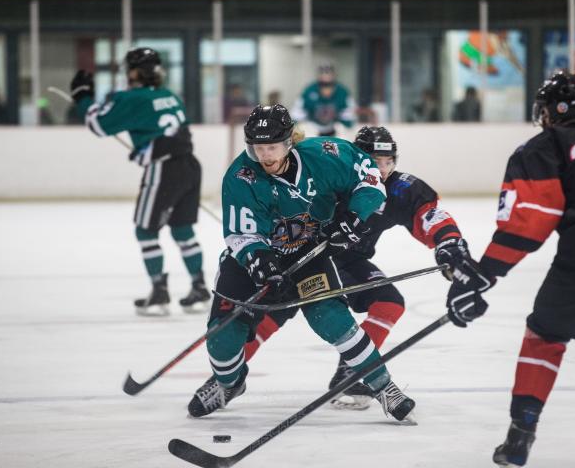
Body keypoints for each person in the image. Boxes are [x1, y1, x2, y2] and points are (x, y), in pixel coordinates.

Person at [198, 125, 477, 410]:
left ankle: (358, 373)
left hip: (337, 260)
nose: (380, 169)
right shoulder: (333, 176)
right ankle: (226, 378)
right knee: (264, 316)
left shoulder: (400, 188)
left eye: (387, 162)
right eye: (373, 161)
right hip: (302, 252)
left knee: (374, 306)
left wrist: (450, 242)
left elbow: (429, 215)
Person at [187, 104, 416, 424]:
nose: (265, 156)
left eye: (272, 147)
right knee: (222, 337)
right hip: (252, 259)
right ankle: (229, 384)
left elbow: (370, 179)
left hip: (307, 252)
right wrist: (259, 260)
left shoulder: (326, 153)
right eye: (258, 148)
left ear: (289, 142)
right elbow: (240, 234)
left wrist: (353, 217)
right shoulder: (240, 176)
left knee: (332, 318)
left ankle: (384, 387)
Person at [442, 71, 575, 466]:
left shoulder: (544, 146)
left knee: (545, 336)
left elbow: (531, 222)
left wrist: (482, 275)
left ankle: (520, 435)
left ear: (552, 110)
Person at [70, 47, 211, 315]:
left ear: (134, 71)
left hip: (163, 169)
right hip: (190, 166)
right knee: (182, 230)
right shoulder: (168, 95)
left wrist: (83, 98)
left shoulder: (132, 98)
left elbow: (99, 125)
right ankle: (199, 286)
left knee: (145, 231)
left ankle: (159, 291)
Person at [291, 63, 356, 136]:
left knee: (343, 131)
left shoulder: (343, 93)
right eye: (324, 85)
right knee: (303, 129)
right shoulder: (308, 91)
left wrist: (344, 126)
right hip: (313, 127)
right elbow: (297, 115)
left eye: (329, 85)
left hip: (334, 127)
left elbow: (348, 117)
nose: (326, 90)